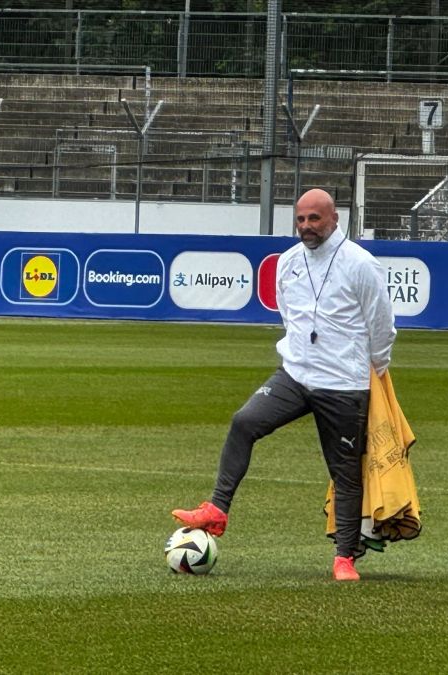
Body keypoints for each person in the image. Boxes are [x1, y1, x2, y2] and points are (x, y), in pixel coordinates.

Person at [172, 188, 396, 582]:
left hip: (343, 383)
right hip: (295, 375)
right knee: (244, 422)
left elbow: (381, 326)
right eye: (301, 219)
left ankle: (344, 557)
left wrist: (375, 369)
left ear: (334, 219)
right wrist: (297, 354)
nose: (306, 227)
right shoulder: (289, 262)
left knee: (344, 471)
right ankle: (217, 509)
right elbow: (290, 317)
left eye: (314, 219)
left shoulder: (362, 264)